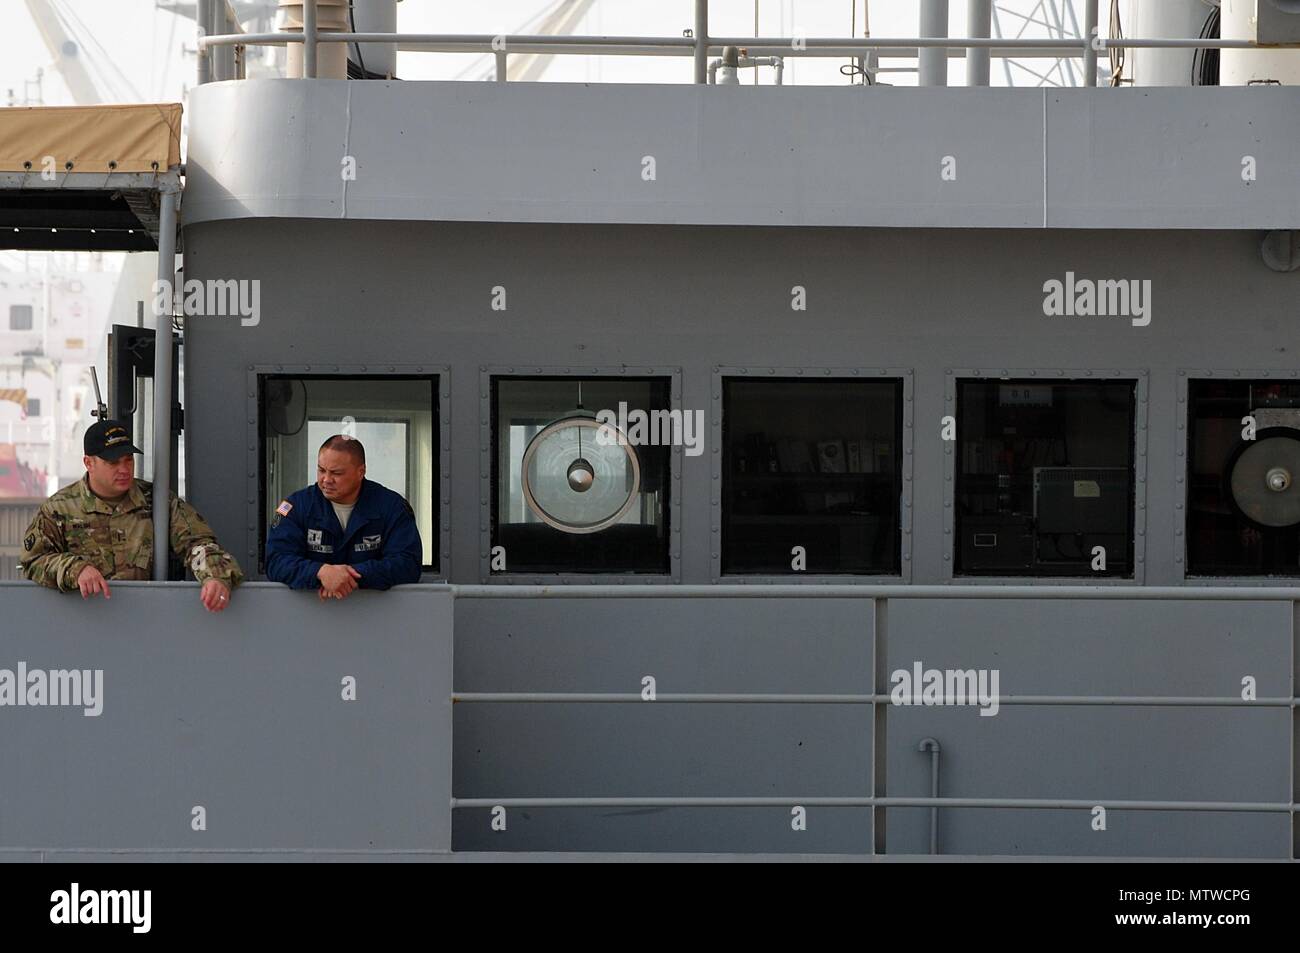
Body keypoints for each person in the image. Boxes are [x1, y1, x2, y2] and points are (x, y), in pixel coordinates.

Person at [19, 419, 244, 611]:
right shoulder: (60, 509)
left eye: (128, 459)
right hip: (84, 623)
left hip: (146, 620)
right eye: (113, 462)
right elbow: (33, 560)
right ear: (89, 463)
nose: (124, 469)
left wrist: (215, 576)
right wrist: (74, 569)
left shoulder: (157, 501)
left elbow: (198, 543)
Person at [265, 434, 422, 599]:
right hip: (310, 614)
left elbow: (408, 564)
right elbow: (276, 560)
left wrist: (347, 577)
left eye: (336, 473)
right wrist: (320, 572)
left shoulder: (392, 507)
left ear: (361, 472)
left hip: (374, 615)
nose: (326, 479)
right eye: (321, 470)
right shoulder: (295, 507)